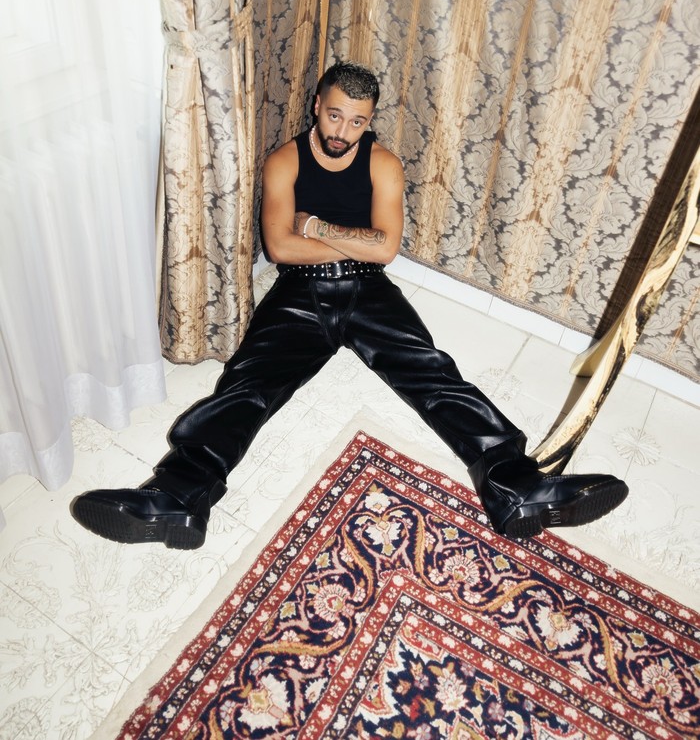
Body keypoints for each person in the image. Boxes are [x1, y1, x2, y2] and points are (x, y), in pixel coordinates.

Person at [71, 61, 628, 549]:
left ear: (370, 119)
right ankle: (178, 495)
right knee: (247, 385)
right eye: (335, 115)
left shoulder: (383, 164)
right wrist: (351, 239)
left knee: (433, 376)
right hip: (298, 291)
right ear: (318, 105)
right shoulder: (284, 161)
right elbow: (280, 247)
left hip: (367, 288)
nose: (342, 131)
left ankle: (516, 486)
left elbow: (383, 251)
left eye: (357, 121)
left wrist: (315, 226)